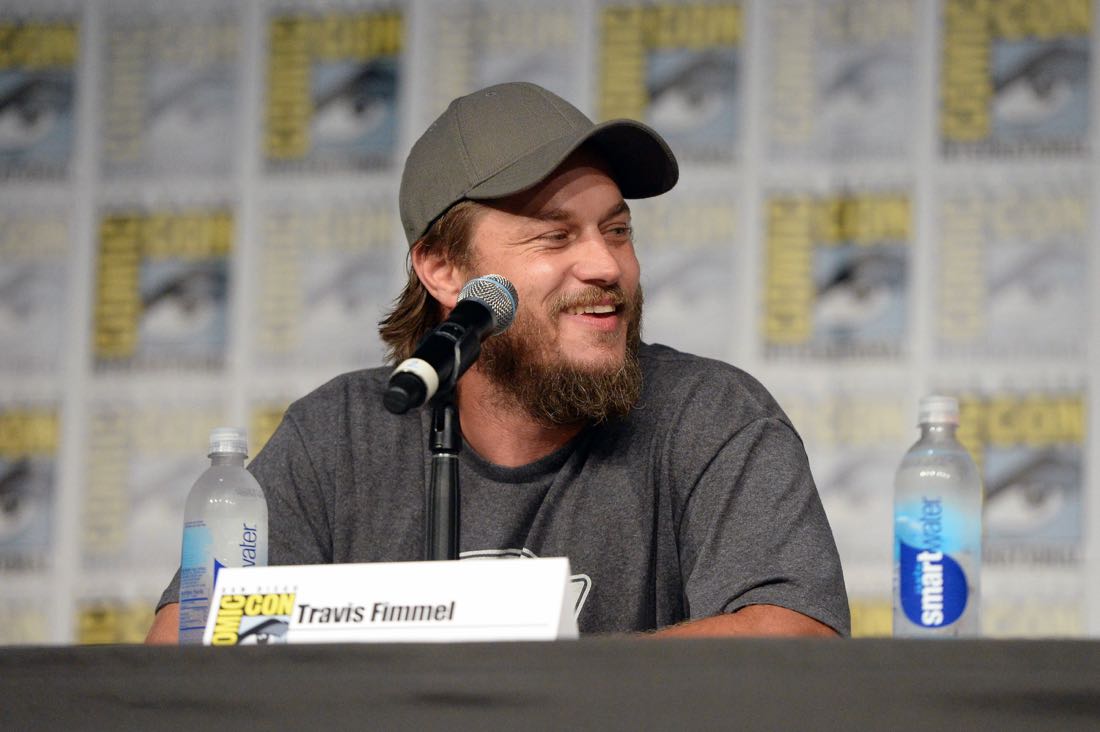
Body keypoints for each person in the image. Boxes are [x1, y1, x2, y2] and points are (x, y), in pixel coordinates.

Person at [147, 82, 849, 643]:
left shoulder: (710, 415)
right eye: (554, 236)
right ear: (443, 268)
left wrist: (524, 687)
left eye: (617, 230)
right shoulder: (338, 437)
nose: (606, 265)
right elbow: (188, 646)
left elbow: (790, 641)